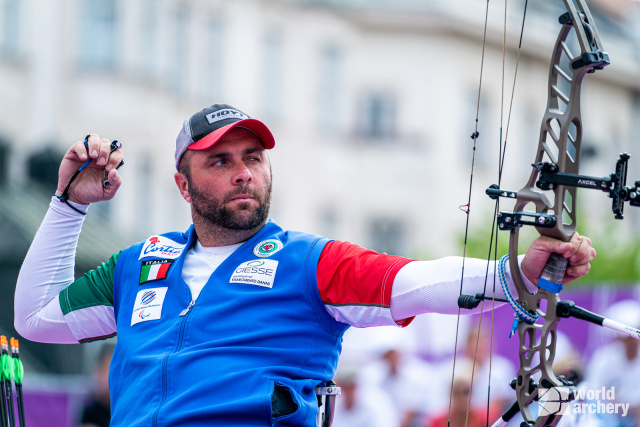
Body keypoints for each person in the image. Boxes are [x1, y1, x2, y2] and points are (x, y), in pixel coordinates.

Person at [14, 104, 596, 427]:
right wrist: (69, 205)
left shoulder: (307, 261)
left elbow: (415, 283)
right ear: (183, 185)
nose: (244, 172)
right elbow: (37, 318)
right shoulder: (138, 263)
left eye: (254, 157)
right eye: (219, 161)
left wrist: (517, 270)